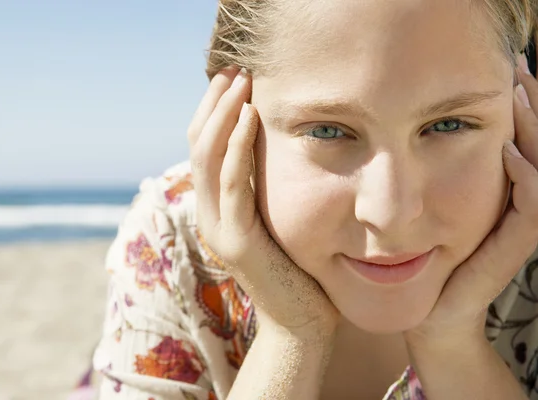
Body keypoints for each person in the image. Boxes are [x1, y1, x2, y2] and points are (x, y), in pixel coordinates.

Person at [90, 0, 538, 398]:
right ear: (227, 123)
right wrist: (291, 335)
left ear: (523, 109)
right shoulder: (170, 238)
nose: (391, 215)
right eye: (327, 130)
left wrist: (453, 345)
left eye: (448, 125)